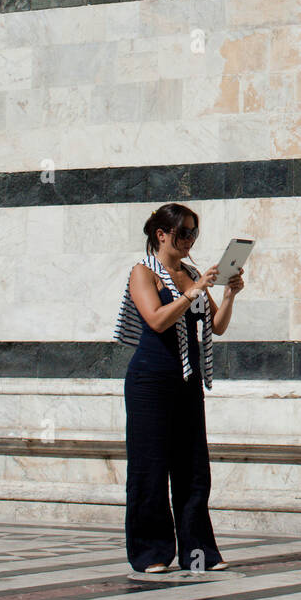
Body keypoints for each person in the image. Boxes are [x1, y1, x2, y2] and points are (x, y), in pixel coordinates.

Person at [114, 202, 244, 573]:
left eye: (193, 233)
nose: (189, 239)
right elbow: (155, 321)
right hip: (150, 379)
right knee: (150, 467)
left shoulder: (191, 273)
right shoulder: (143, 273)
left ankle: (198, 552)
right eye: (183, 232)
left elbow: (216, 326)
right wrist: (190, 295)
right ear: (161, 235)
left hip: (186, 380)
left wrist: (230, 293)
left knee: (193, 468)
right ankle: (150, 552)